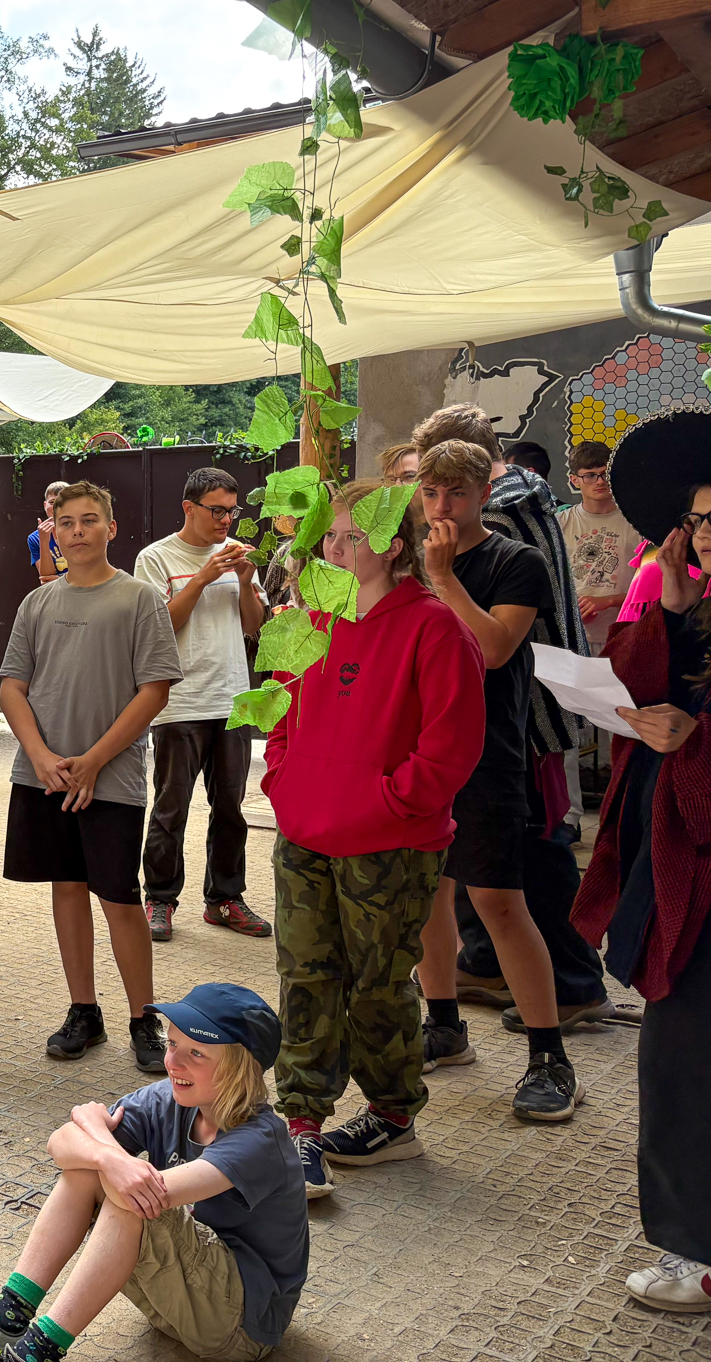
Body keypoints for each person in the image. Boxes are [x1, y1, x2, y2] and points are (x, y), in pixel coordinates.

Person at [262, 479, 484, 1196]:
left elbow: (451, 747)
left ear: (394, 546)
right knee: (304, 975)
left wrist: (389, 802)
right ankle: (301, 1123)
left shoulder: (434, 627)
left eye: (353, 536)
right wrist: (283, 780)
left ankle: (392, 1116)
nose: (335, 548)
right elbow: (280, 713)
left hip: (390, 843)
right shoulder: (310, 620)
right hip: (305, 831)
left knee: (377, 985)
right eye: (329, 536)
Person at [0, 985, 306, 1362]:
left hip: (241, 1328)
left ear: (240, 1068)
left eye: (196, 1053)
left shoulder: (261, 1139)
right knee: (91, 1170)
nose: (173, 1063)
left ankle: (37, 1353)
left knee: (129, 1197)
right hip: (176, 1303)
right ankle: (0, 1329)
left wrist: (97, 1137)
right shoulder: (172, 1097)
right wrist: (106, 1154)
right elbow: (60, 1143)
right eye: (172, 1044)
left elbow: (148, 1191)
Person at [568, 442, 711, 1314]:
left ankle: (699, 1255)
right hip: (683, 864)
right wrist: (674, 609)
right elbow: (630, 680)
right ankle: (694, 1242)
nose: (709, 535)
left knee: (685, 1059)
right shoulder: (694, 604)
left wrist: (697, 741)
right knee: (679, 1056)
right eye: (700, 520)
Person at [413, 406, 608, 1019]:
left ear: (481, 476)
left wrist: (441, 577)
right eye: (427, 486)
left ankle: (572, 987)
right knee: (462, 875)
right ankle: (485, 966)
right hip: (486, 716)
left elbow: (496, 645)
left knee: (526, 860)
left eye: (451, 484)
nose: (438, 503)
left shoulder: (506, 521)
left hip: (524, 714)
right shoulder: (522, 502)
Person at [0, 482, 180, 1073]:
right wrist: (40, 756)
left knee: (119, 897)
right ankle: (84, 1010)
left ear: (111, 528)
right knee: (67, 888)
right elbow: (11, 687)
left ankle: (144, 1017)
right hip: (46, 777)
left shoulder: (140, 599)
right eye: (67, 522)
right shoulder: (37, 604)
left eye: (90, 520)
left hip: (111, 779)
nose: (77, 531)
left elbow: (154, 690)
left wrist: (96, 759)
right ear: (53, 530)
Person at [132, 468, 269, 942]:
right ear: (188, 508)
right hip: (180, 700)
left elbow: (254, 627)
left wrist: (246, 582)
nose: (227, 520)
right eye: (217, 510)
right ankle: (159, 900)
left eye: (232, 510)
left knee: (231, 808)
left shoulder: (237, 556)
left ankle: (225, 900)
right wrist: (204, 578)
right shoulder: (155, 558)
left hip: (233, 700)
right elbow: (158, 627)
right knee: (171, 809)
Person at [558, 440, 640, 652]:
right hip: (574, 638)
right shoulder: (560, 523)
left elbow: (652, 591)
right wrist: (570, 609)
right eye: (590, 475)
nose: (600, 481)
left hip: (626, 634)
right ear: (574, 480)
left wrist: (609, 600)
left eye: (605, 474)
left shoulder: (637, 524)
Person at [28, 481, 71, 586]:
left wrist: (61, 579)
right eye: (52, 502)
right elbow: (46, 581)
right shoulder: (35, 538)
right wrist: (44, 541)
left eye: (63, 502)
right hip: (56, 593)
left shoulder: (79, 531)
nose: (57, 507)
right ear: (45, 505)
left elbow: (91, 574)